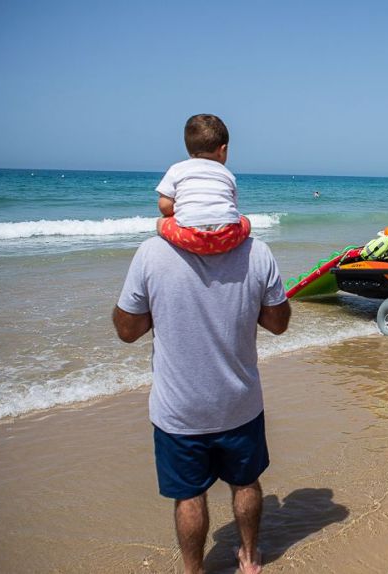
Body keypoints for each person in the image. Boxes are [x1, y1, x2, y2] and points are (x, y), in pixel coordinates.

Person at [113, 211, 291, 573]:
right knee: (245, 484)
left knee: (189, 496)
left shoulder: (151, 253)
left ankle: (194, 571)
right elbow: (278, 323)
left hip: (179, 410)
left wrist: (157, 309)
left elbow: (127, 330)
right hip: (238, 403)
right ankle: (250, 557)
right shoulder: (257, 252)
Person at [156, 114, 251, 256]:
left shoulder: (177, 169)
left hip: (191, 239)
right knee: (245, 221)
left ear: (188, 149)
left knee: (161, 222)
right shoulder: (227, 174)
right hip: (226, 239)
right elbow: (231, 207)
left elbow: (165, 206)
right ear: (223, 149)